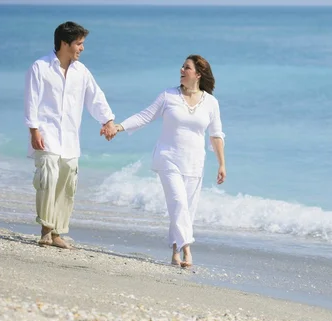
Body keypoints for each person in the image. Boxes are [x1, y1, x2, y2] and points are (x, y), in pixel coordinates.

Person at [112, 54, 226, 267]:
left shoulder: (211, 103)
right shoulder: (168, 96)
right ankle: (187, 249)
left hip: (194, 162)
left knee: (187, 209)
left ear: (198, 74)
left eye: (187, 68)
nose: (182, 70)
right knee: (178, 202)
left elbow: (216, 134)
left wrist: (221, 163)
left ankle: (175, 250)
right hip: (168, 158)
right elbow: (145, 116)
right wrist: (120, 126)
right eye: (182, 67)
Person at [24, 21, 117, 249]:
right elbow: (31, 100)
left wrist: (107, 121)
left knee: (66, 183)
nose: (82, 48)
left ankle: (57, 232)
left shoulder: (81, 72)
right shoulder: (40, 67)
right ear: (65, 43)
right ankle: (46, 230)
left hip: (70, 138)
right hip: (46, 134)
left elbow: (95, 97)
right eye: (79, 43)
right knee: (48, 178)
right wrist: (33, 129)